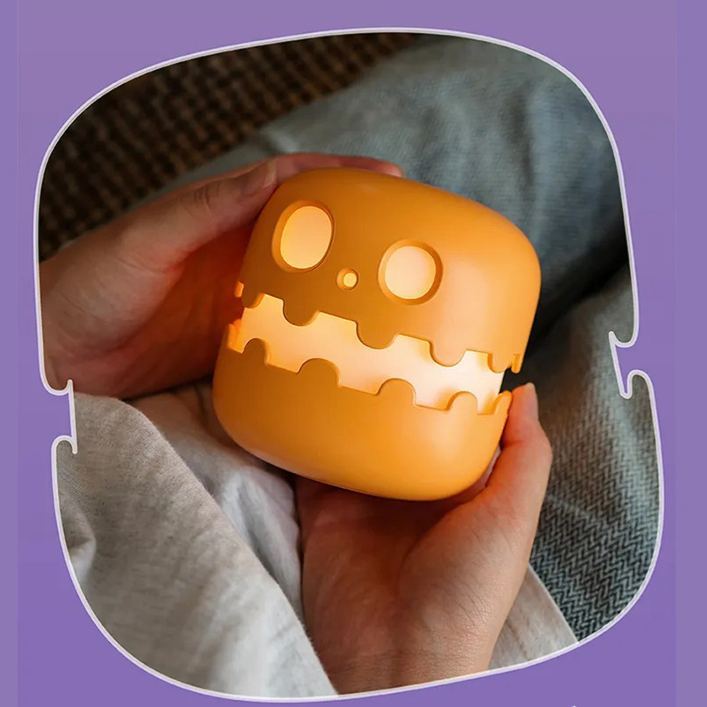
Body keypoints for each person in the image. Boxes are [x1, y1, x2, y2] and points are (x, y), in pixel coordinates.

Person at [42, 152, 552, 693]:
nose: (352, 281)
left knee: (329, 195)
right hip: (414, 567)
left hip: (125, 382)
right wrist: (399, 664)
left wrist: (44, 349)